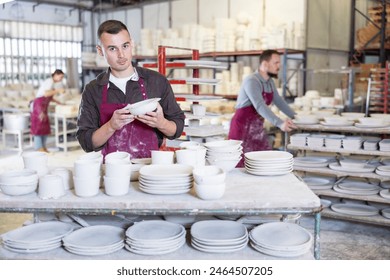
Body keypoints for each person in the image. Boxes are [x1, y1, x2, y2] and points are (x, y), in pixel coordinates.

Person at [76, 20, 185, 160]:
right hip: (113, 170)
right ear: (100, 51)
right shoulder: (93, 90)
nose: (121, 55)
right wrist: (111, 125)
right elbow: (87, 142)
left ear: (132, 44)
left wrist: (161, 123)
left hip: (151, 168)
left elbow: (178, 128)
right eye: (112, 49)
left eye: (125, 46)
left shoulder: (156, 81)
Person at [228, 49, 297, 167]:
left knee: (261, 164)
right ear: (265, 64)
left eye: (279, 62)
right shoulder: (252, 80)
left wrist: (295, 117)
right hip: (242, 128)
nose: (279, 66)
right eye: (276, 63)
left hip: (256, 129)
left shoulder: (269, 82)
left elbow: (279, 101)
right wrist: (280, 123)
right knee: (240, 166)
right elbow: (259, 105)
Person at [30, 69, 65, 152]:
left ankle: (43, 147)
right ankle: (39, 147)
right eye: (60, 77)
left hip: (43, 107)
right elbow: (46, 94)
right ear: (55, 75)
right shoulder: (49, 81)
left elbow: (49, 96)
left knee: (45, 127)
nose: (61, 79)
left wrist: (57, 102)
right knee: (39, 126)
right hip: (38, 106)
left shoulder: (52, 84)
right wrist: (58, 90)